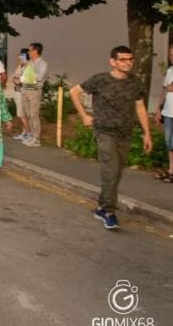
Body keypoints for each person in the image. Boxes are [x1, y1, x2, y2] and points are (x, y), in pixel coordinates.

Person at [69, 46, 152, 230]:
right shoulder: (100, 80)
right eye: (123, 59)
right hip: (104, 131)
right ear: (113, 61)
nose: (127, 62)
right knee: (111, 171)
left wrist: (147, 133)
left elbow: (140, 107)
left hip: (125, 132)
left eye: (130, 59)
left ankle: (101, 206)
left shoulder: (135, 82)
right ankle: (109, 211)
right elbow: (74, 91)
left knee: (116, 173)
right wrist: (84, 115)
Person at [19, 42, 48, 147]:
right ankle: (31, 135)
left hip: (34, 90)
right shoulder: (29, 62)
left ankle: (36, 138)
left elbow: (39, 77)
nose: (28, 52)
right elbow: (22, 74)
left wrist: (29, 68)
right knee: (28, 114)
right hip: (26, 89)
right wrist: (23, 65)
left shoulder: (43, 63)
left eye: (30, 50)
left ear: (36, 51)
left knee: (33, 114)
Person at [155, 45, 173, 182]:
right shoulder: (170, 71)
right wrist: (158, 109)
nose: (171, 57)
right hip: (168, 112)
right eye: (170, 55)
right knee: (168, 142)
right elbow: (164, 90)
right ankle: (171, 170)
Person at [10, 49, 31, 141]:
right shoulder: (21, 65)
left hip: (22, 91)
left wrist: (16, 81)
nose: (19, 58)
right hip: (17, 91)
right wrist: (15, 80)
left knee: (21, 114)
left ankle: (29, 133)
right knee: (21, 113)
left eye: (21, 56)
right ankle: (24, 132)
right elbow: (15, 77)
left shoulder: (28, 66)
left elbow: (22, 81)